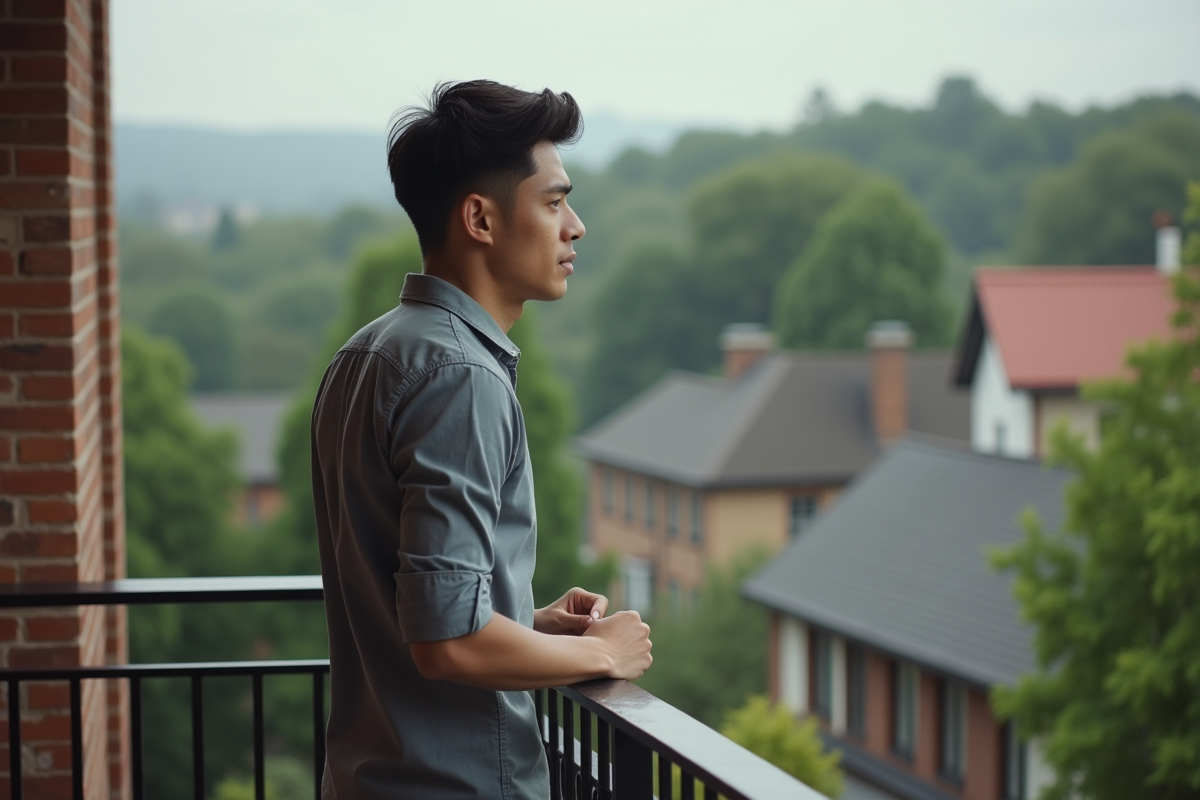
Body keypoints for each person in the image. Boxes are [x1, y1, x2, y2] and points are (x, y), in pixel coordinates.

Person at [310, 80, 654, 800]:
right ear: (481, 219)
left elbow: (411, 609)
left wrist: (530, 625)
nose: (576, 227)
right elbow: (448, 644)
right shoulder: (459, 377)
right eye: (555, 202)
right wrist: (601, 650)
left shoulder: (368, 353)